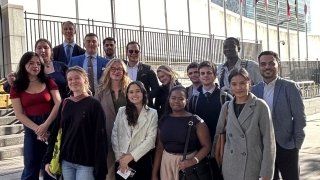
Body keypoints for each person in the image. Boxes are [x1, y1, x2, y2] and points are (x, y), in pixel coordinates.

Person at [44, 66, 108, 180]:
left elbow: (100, 138)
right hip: (66, 161)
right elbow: (55, 133)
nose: (73, 81)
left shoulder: (94, 105)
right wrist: (48, 159)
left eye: (77, 78)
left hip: (86, 163)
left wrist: (101, 168)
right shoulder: (65, 103)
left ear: (85, 80)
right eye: (70, 79)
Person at [251, 51, 306, 180]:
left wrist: (296, 145)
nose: (267, 67)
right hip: (264, 148)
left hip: (287, 146)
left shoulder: (290, 87)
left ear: (278, 65)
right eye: (263, 64)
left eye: (271, 63)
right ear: (259, 67)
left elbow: (300, 118)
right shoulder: (254, 90)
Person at [214, 67, 276, 180]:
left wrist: (267, 173)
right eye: (234, 84)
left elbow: (269, 141)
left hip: (252, 166)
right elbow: (218, 135)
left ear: (250, 83)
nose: (238, 87)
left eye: (242, 83)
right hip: (230, 166)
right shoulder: (227, 107)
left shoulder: (260, 106)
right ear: (230, 86)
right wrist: (216, 161)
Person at [10, 51, 61, 180]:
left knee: (51, 167)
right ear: (24, 65)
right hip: (31, 130)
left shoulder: (49, 82)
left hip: (50, 126)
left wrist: (45, 126)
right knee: (30, 167)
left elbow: (58, 103)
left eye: (38, 63)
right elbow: (19, 114)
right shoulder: (17, 86)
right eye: (31, 63)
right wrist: (38, 130)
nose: (35, 66)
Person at [151, 85, 211, 180]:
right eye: (173, 98)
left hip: (188, 165)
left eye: (180, 98)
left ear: (186, 100)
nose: (176, 101)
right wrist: (154, 174)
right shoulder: (163, 120)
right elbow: (159, 147)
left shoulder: (196, 121)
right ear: (169, 99)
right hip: (166, 164)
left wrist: (193, 161)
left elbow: (207, 146)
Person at [111, 81, 158, 180]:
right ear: (127, 95)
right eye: (131, 92)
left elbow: (150, 140)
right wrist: (120, 158)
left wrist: (130, 157)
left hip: (141, 159)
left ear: (143, 93)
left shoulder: (152, 113)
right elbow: (115, 134)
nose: (134, 94)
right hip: (122, 160)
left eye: (138, 91)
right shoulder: (121, 111)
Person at [95, 58, 130, 180]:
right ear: (108, 72)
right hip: (107, 136)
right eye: (113, 69)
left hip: (127, 137)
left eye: (119, 69)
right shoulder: (100, 91)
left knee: (127, 172)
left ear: (124, 72)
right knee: (109, 173)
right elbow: (95, 114)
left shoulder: (130, 89)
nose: (116, 71)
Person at [4, 39, 69, 98]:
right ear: (35, 51)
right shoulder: (29, 68)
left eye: (46, 48)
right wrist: (10, 81)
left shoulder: (61, 66)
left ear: (51, 51)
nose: (42, 50)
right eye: (39, 48)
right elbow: (8, 87)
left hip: (63, 106)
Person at [188, 61, 231, 140]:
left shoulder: (225, 98)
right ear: (199, 76)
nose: (205, 76)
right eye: (202, 73)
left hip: (220, 142)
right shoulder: (194, 99)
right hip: (199, 142)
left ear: (215, 75)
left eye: (209, 73)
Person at [124, 41, 159, 105]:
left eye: (136, 51)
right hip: (126, 104)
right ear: (126, 52)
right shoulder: (122, 68)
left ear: (139, 53)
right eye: (131, 51)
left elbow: (156, 89)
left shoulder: (148, 69)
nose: (134, 53)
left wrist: (143, 97)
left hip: (144, 105)